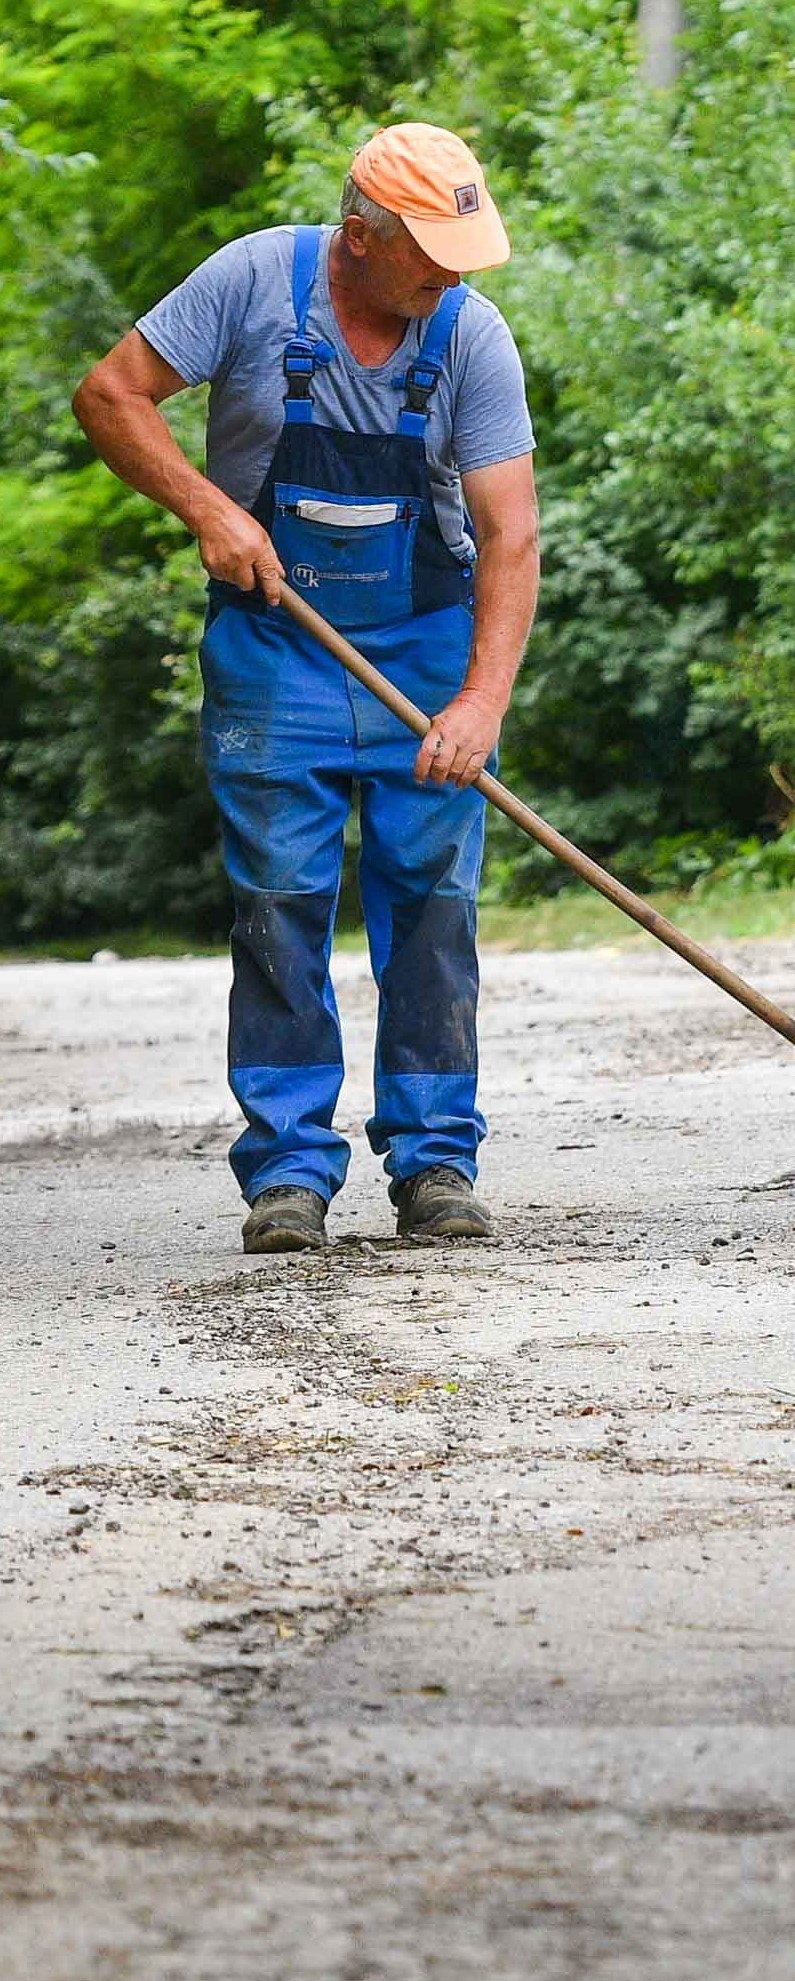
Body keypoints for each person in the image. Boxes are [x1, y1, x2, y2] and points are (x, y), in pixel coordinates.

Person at [68, 126, 535, 1255]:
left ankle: (435, 1162)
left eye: (467, 256)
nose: (453, 280)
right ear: (362, 238)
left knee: (433, 900)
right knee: (277, 898)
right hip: (275, 650)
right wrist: (208, 508)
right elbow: (110, 396)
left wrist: (480, 705)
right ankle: (286, 1169)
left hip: (423, 652)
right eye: (432, 257)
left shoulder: (470, 336)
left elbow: (508, 536)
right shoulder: (251, 283)